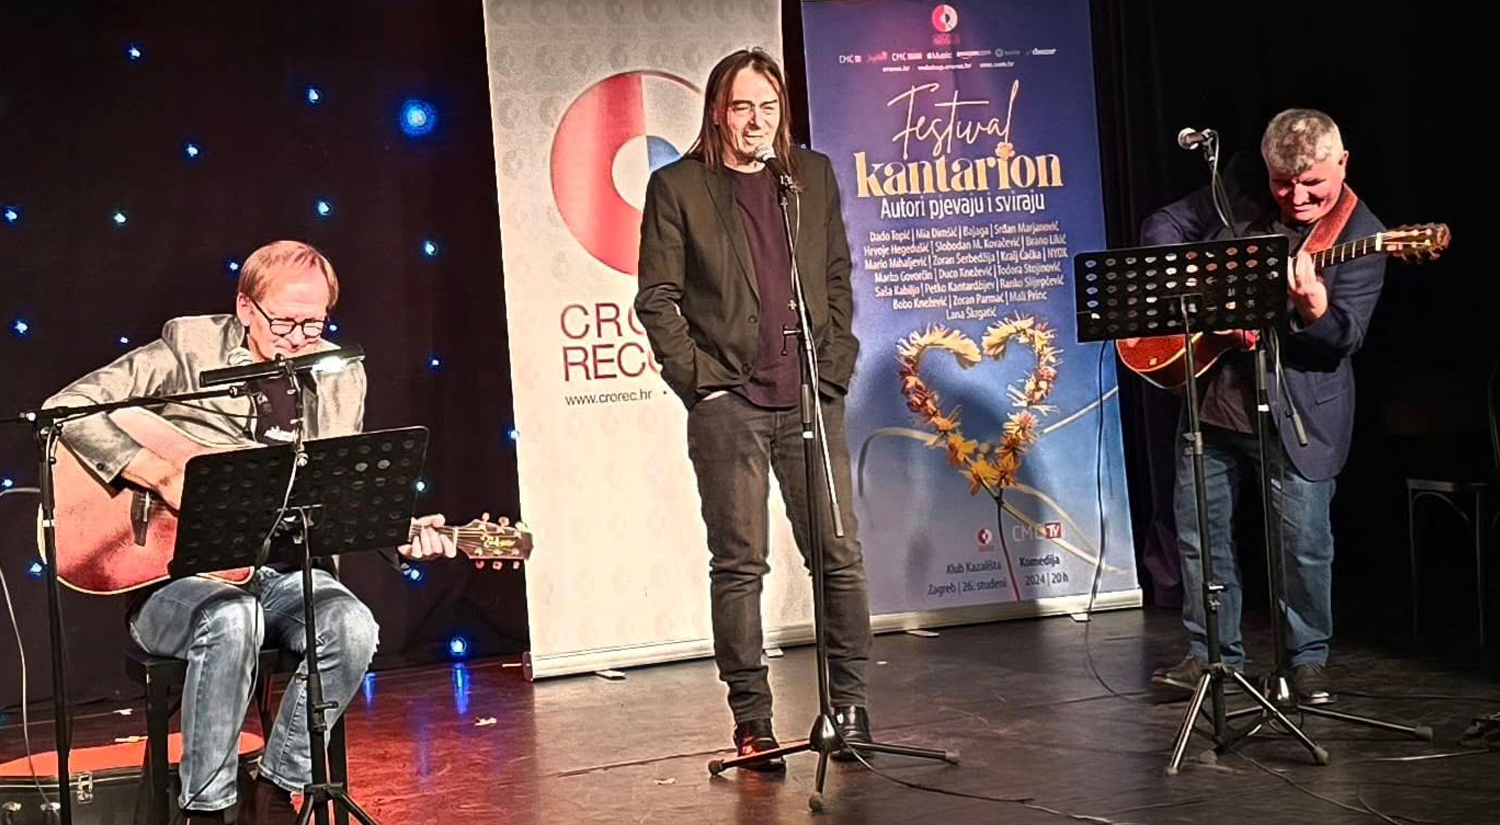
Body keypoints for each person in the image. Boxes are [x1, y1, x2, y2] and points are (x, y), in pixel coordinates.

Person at [45, 240, 456, 823]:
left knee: (351, 625)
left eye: (313, 323)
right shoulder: (188, 349)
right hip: (176, 580)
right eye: (284, 322)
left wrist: (395, 530)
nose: (298, 338)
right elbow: (67, 408)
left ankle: (273, 792)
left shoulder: (339, 373)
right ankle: (206, 811)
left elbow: (334, 495)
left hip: (283, 573)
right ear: (245, 307)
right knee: (233, 617)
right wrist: (159, 473)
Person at [635, 48, 871, 769]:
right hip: (730, 403)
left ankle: (851, 705)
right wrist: (702, 381)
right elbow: (658, 298)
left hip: (808, 393)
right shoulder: (678, 187)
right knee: (740, 564)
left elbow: (836, 277)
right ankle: (753, 721)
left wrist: (832, 370)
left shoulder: (811, 177)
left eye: (768, 108)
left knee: (838, 554)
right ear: (717, 110)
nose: (756, 122)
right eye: (743, 107)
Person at [1147, 109, 1386, 705]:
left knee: (1302, 544)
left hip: (1299, 412)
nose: (1297, 197)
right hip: (1214, 399)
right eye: (1284, 183)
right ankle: (1211, 658)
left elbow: (1344, 339)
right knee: (1202, 539)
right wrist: (1196, 286)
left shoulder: (1362, 235)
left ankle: (1305, 662)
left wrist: (1313, 310)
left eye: (1312, 184)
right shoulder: (1240, 192)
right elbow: (1163, 225)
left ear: (1342, 164)